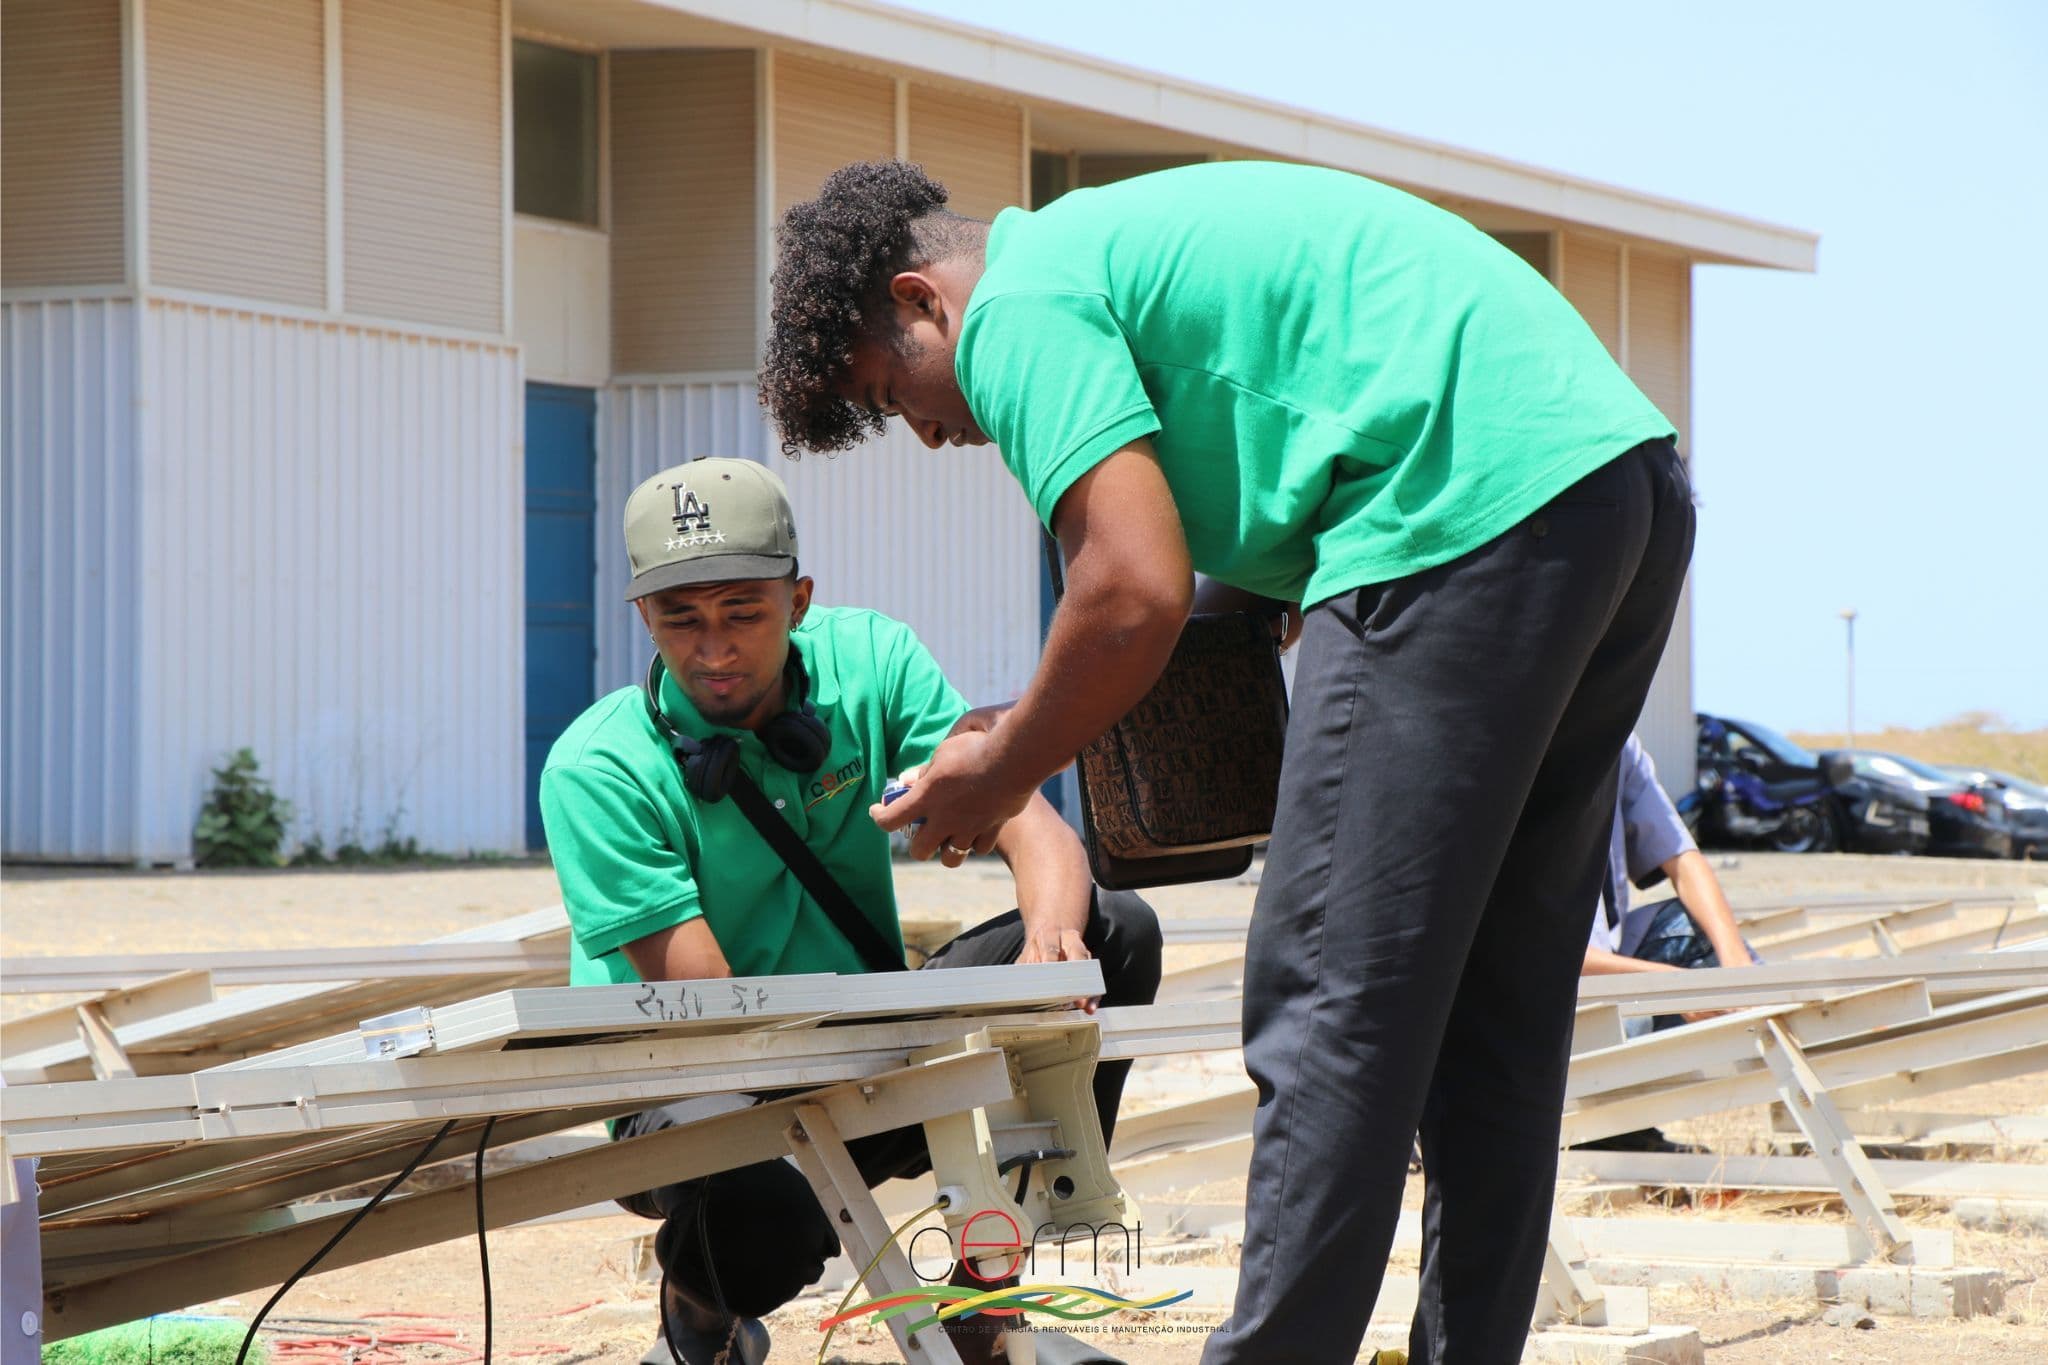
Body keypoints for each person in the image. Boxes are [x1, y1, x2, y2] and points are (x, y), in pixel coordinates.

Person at [762, 159, 1696, 1365]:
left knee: (1324, 999)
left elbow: (1127, 590)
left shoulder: (1019, 304)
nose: (931, 434)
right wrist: (1033, 715)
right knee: (1499, 1004)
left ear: (921, 301)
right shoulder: (1113, 253)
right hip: (1609, 486)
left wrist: (1001, 774)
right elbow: (1203, 574)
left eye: (894, 394)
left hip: (1449, 510)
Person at [539, 458, 1161, 1365]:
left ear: (799, 600)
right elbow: (709, 1007)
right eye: (681, 619)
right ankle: (701, 1307)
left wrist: (1051, 949)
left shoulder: (872, 663)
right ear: (643, 617)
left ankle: (984, 1298)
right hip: (696, 1077)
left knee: (1115, 932)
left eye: (742, 613)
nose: (713, 649)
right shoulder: (598, 767)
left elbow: (1032, 823)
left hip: (866, 1046)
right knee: (768, 1215)